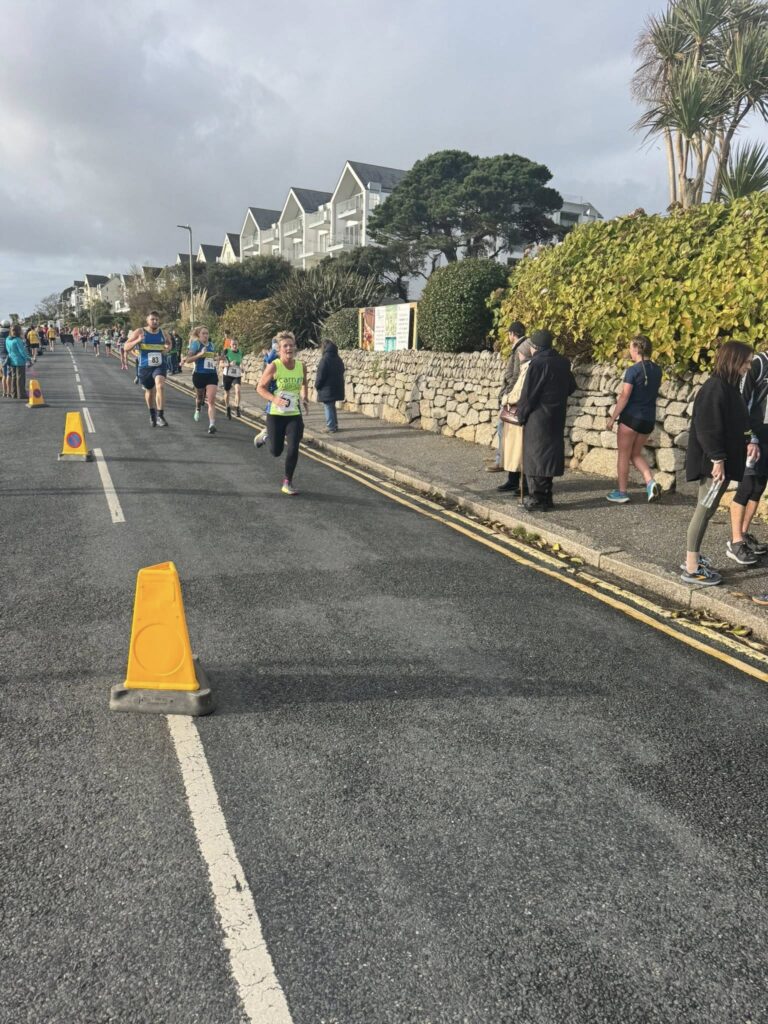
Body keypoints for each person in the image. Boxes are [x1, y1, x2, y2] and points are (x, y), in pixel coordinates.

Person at [681, 340, 754, 586]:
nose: (748, 366)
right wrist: (718, 459)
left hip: (720, 463)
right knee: (704, 511)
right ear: (734, 361)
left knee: (707, 510)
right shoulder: (716, 388)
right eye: (745, 362)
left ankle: (694, 560)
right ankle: (692, 567)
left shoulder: (727, 387)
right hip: (714, 466)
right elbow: (707, 427)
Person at [515, 329, 576, 511]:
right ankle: (547, 496)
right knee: (548, 456)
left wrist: (521, 415)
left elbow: (529, 395)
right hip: (556, 416)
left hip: (538, 418)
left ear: (535, 347)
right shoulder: (563, 363)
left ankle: (537, 498)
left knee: (536, 458)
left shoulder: (537, 364)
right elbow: (571, 387)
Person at [605, 335, 663, 503]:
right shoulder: (657, 370)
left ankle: (622, 493)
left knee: (623, 455)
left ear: (637, 349)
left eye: (631, 348)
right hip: (648, 420)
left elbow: (624, 396)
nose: (630, 351)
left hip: (631, 418)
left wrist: (612, 418)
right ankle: (650, 482)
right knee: (635, 453)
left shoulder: (633, 370)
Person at [726, 348, 768, 566]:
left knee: (759, 485)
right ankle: (735, 542)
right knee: (747, 485)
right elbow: (742, 401)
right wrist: (749, 437)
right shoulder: (760, 363)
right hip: (753, 435)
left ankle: (743, 534)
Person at [255, 331, 308, 495]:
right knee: (276, 451)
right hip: (276, 414)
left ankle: (287, 482)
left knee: (293, 447)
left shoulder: (301, 366)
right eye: (285, 346)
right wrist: (275, 399)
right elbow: (260, 388)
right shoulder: (274, 366)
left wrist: (304, 397)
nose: (289, 348)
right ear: (279, 349)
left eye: (291, 345)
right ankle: (266, 436)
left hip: (293, 414)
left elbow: (305, 382)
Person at [488, 321, 533, 475]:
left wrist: (507, 395)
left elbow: (515, 375)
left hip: (513, 397)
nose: (508, 337)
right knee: (504, 428)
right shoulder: (525, 345)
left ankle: (502, 461)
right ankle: (503, 460)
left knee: (503, 427)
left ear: (513, 334)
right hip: (516, 396)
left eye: (509, 334)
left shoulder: (520, 348)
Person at [496, 342, 535, 496]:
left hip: (518, 416)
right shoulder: (527, 367)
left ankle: (519, 484)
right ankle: (513, 481)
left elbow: (518, 393)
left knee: (518, 453)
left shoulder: (527, 369)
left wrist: (505, 399)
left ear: (523, 354)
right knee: (514, 452)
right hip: (517, 417)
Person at [124, 311, 171, 427]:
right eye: (152, 319)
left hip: (160, 365)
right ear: (147, 321)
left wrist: (167, 349)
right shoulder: (140, 332)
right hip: (145, 367)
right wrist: (137, 341)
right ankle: (152, 414)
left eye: (157, 320)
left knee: (160, 386)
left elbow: (169, 343)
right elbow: (126, 347)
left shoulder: (163, 333)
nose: (155, 321)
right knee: (149, 391)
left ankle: (160, 415)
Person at [185, 325, 218, 434]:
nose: (205, 335)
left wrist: (219, 358)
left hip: (211, 375)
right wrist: (200, 354)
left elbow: (213, 358)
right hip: (199, 375)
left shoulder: (212, 345)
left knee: (211, 400)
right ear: (199, 335)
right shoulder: (196, 344)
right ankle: (198, 408)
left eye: (207, 333)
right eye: (203, 333)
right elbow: (188, 360)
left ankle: (212, 424)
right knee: (199, 398)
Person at [254, 337, 280, 448]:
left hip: (284, 390)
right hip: (274, 389)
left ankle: (266, 433)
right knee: (275, 415)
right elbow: (269, 361)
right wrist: (274, 349)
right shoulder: (272, 356)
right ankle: (266, 435)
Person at [314, 338, 345, 433]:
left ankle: (331, 426)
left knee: (328, 406)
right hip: (337, 387)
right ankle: (334, 424)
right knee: (332, 406)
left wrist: (317, 385)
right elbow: (342, 370)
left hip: (327, 388)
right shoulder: (338, 358)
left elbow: (320, 375)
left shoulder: (325, 359)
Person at [220, 338, 243, 419]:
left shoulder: (240, 352)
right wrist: (229, 364)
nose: (234, 346)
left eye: (236, 344)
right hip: (227, 375)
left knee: (238, 390)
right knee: (227, 392)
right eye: (233, 344)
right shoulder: (226, 351)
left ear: (238, 345)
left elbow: (240, 363)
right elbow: (221, 364)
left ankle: (237, 408)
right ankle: (227, 407)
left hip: (237, 375)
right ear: (230, 345)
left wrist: (242, 367)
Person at [6, 324, 30, 399]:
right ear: (19, 331)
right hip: (19, 361)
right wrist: (28, 359)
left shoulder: (8, 339)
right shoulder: (18, 340)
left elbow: (8, 350)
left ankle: (14, 394)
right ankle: (21, 394)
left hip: (12, 360)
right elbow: (22, 351)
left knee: (13, 377)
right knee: (20, 378)